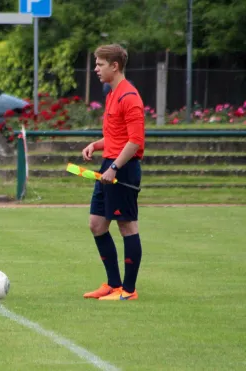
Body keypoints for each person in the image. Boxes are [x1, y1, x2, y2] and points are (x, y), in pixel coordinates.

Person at [81, 44, 145, 301]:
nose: (96, 69)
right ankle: (112, 284)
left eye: (100, 64)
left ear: (114, 65)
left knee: (127, 226)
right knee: (97, 224)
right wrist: (96, 145)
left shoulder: (129, 96)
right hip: (109, 164)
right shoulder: (111, 94)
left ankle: (128, 291)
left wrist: (115, 166)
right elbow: (116, 137)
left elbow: (135, 141)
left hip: (123, 169)